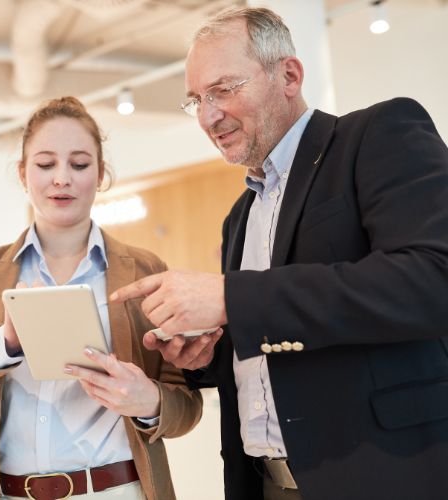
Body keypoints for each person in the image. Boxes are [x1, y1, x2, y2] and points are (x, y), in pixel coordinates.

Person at [110, 6, 448, 500]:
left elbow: (432, 279)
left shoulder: (376, 135)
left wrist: (232, 299)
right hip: (265, 483)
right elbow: (271, 351)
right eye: (198, 99)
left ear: (288, 75)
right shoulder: (238, 216)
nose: (209, 115)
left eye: (224, 89)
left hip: (379, 475)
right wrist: (207, 353)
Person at [0, 96, 202, 500]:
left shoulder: (146, 270)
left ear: (100, 175)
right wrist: (3, 344)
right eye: (45, 165)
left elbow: (186, 404)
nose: (62, 178)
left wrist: (149, 402)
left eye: (79, 164)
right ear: (24, 175)